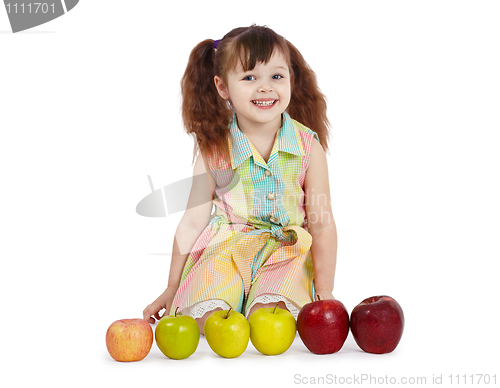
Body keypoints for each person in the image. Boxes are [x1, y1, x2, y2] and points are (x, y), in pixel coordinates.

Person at [143, 25, 337, 334]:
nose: (265, 88)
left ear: (291, 78)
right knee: (207, 319)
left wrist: (324, 292)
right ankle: (224, 304)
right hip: (226, 251)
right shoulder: (215, 149)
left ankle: (261, 302)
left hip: (285, 254)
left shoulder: (307, 148)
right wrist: (171, 287)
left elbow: (322, 222)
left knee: (275, 319)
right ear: (222, 87)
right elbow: (193, 222)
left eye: (276, 76)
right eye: (249, 77)